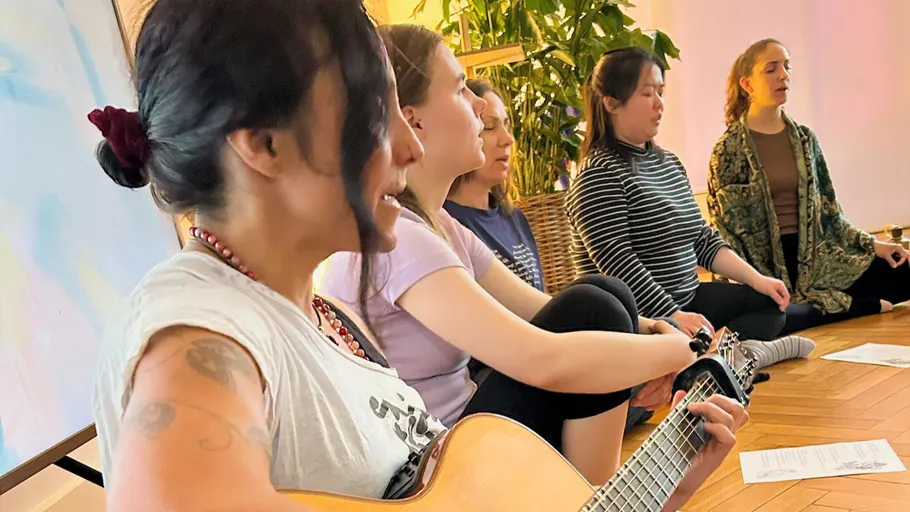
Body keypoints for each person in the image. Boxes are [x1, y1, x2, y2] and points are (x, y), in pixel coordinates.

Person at [90, 2, 746, 510]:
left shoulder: (318, 319)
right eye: (377, 113)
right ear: (263, 143)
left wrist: (666, 487)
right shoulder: (200, 331)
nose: (410, 145)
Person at [319, 24, 726, 489]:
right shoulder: (400, 241)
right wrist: (677, 351)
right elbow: (541, 359)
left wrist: (648, 333)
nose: (477, 105)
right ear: (413, 121)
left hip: (470, 436)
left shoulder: (443, 227)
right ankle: (591, 493)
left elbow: (537, 310)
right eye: (459, 89)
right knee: (594, 308)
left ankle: (590, 489)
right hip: (436, 471)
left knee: (603, 294)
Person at [567, 47, 815, 370]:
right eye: (647, 93)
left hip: (687, 297)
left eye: (661, 91)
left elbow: (702, 239)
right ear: (612, 102)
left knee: (769, 303)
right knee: (676, 340)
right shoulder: (597, 173)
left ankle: (716, 356)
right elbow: (618, 263)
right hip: (639, 319)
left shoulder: (668, 163)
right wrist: (671, 314)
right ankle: (729, 355)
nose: (659, 103)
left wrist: (757, 279)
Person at [444, 77, 663, 430]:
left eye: (507, 125)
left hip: (545, 349)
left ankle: (619, 401)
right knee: (604, 315)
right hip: (504, 371)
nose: (507, 139)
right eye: (488, 127)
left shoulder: (514, 218)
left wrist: (651, 329)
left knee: (613, 297)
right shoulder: (450, 226)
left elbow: (539, 304)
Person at [708, 39, 910, 334]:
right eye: (771, 69)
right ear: (747, 84)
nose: (783, 76)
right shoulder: (727, 149)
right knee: (759, 314)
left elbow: (831, 214)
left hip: (818, 258)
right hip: (764, 270)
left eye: (787, 67)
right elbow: (723, 231)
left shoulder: (805, 140)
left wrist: (873, 244)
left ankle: (814, 309)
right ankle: (854, 306)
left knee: (903, 271)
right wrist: (748, 280)